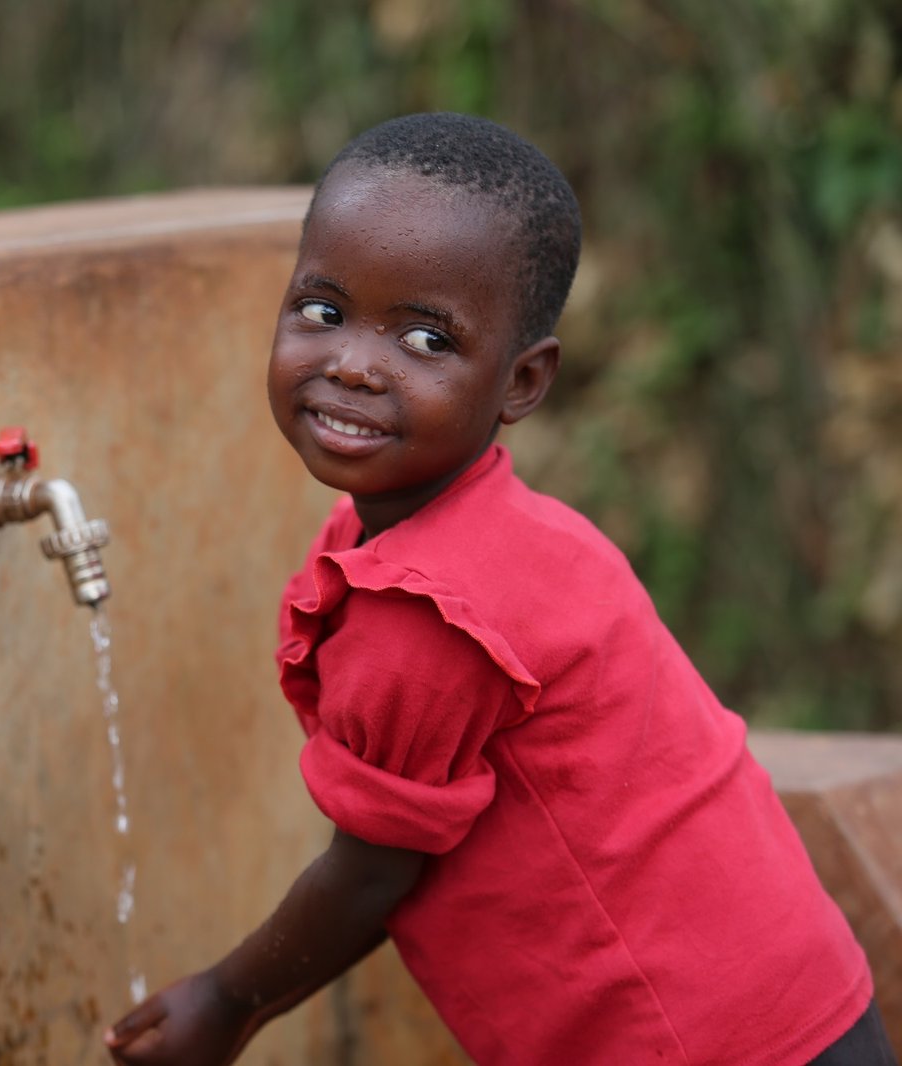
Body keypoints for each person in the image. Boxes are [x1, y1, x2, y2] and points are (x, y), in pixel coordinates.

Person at [103, 113, 893, 1065]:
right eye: (322, 311)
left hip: (688, 1040)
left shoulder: (433, 616)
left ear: (522, 382)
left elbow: (369, 875)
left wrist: (229, 1001)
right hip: (793, 1003)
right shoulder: (494, 532)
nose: (354, 362)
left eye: (427, 339)